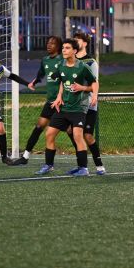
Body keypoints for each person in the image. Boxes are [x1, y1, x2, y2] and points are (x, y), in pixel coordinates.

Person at [35, 38, 98, 176]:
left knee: (77, 136)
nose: (64, 50)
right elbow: (62, 82)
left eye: (67, 48)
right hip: (64, 108)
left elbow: (94, 83)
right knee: (49, 134)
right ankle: (49, 165)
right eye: (63, 48)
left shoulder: (82, 67)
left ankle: (83, 168)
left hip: (78, 108)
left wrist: (94, 95)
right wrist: (59, 97)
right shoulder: (61, 65)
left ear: (74, 51)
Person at [12, 35, 63, 165]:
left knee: (70, 131)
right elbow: (41, 74)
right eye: (48, 43)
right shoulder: (45, 60)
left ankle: (82, 162)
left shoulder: (63, 60)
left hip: (62, 102)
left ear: (58, 46)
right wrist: (33, 82)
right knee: (39, 127)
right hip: (50, 101)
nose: (49, 45)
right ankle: (25, 156)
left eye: (52, 43)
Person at [73, 31, 106, 175]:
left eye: (78, 40)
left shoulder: (91, 62)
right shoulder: (70, 60)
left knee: (87, 135)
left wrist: (89, 93)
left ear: (85, 43)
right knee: (74, 133)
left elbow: (94, 84)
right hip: (73, 105)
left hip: (88, 105)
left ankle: (99, 165)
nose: (75, 42)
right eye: (74, 39)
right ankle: (82, 165)